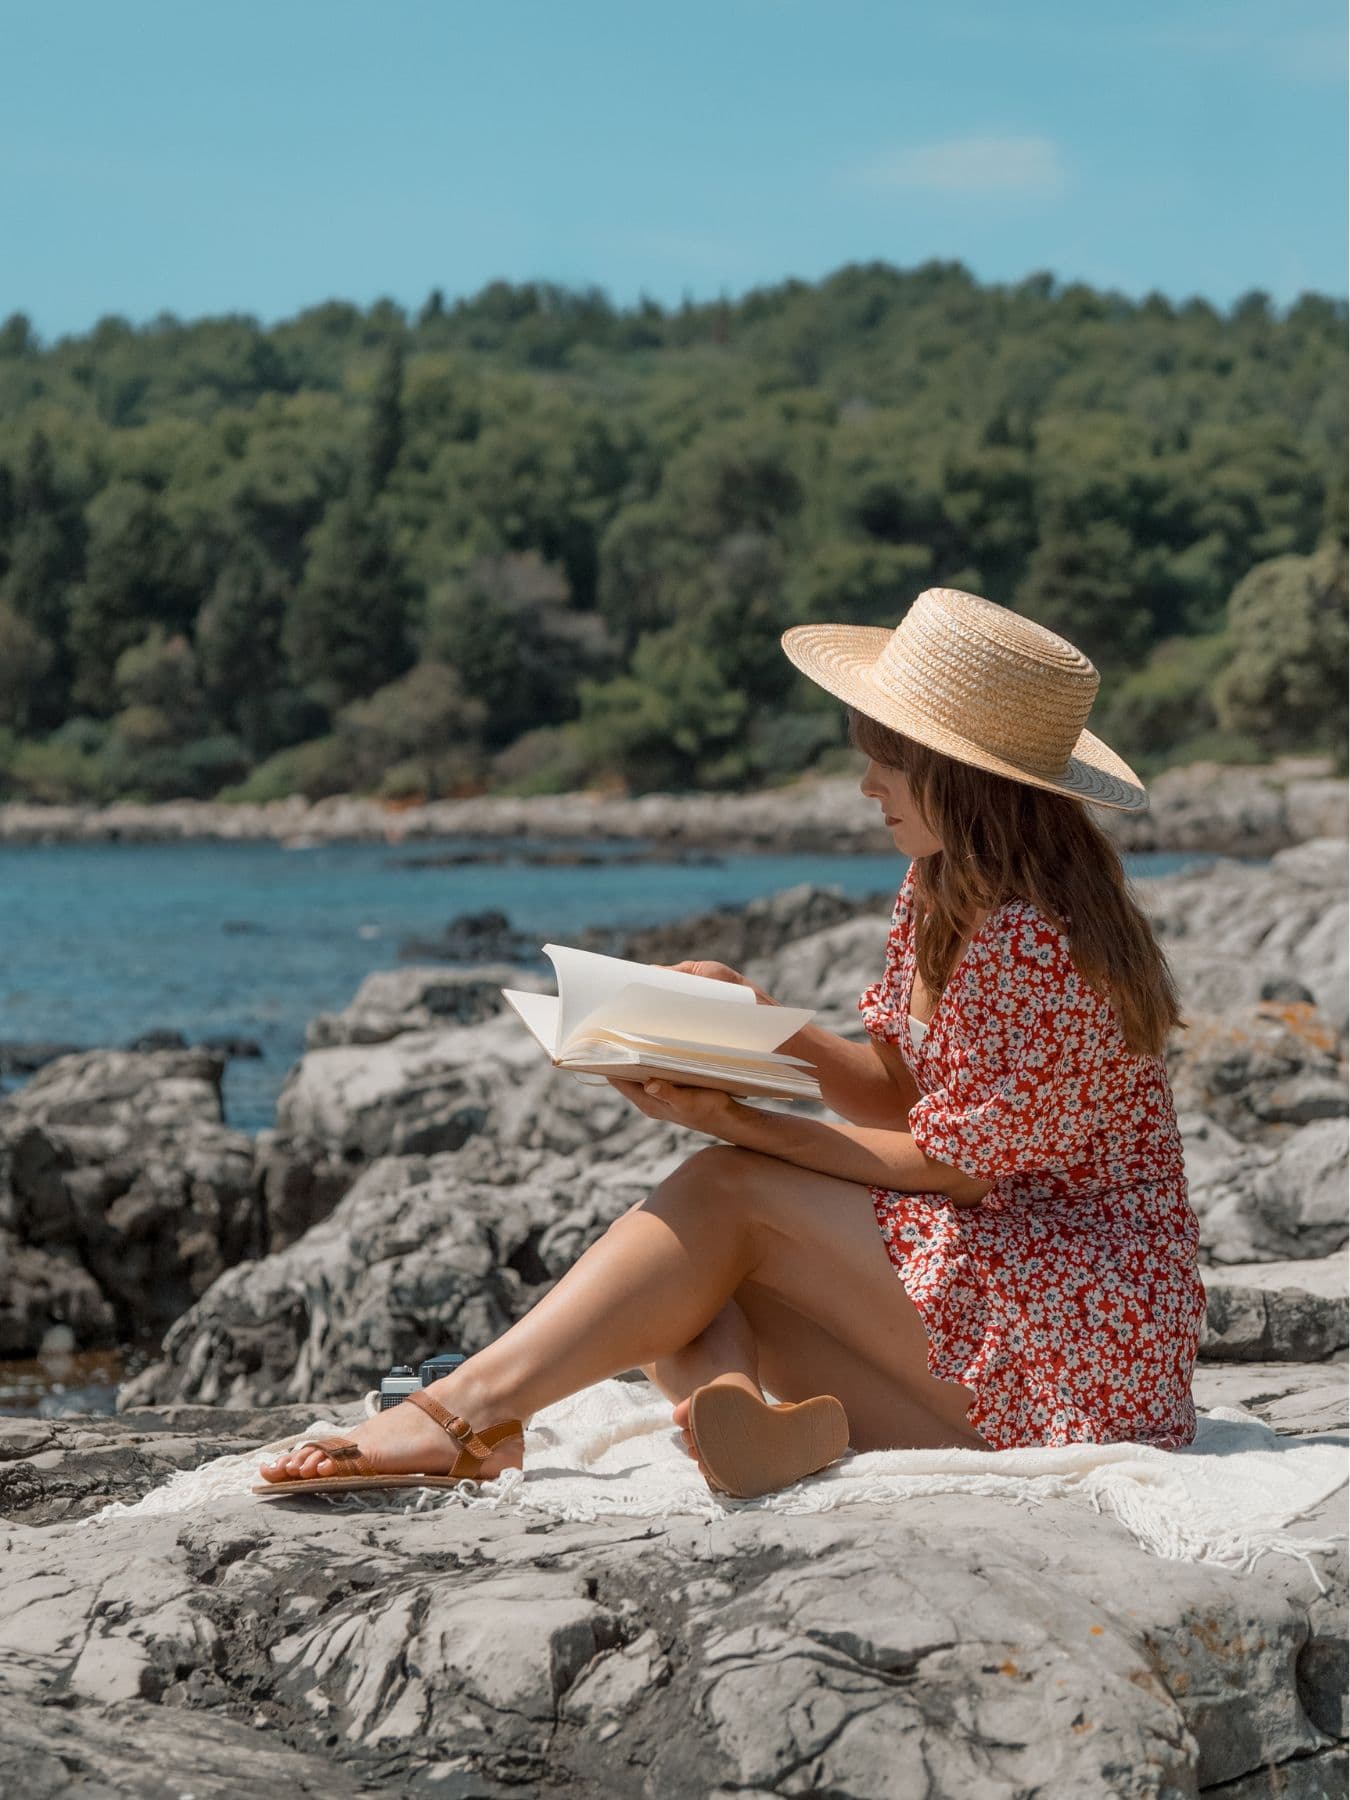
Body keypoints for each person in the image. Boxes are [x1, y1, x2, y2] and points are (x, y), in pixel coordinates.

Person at [257, 587, 1206, 1502]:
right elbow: (895, 1091)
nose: (866, 781)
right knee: (676, 1287)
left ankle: (465, 1414)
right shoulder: (941, 888)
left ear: (964, 775)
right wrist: (756, 1015)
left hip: (1085, 1328)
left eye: (891, 758)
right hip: (1011, 1300)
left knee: (724, 1194)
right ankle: (743, 1416)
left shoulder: (1035, 936)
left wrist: (744, 1126)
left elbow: (954, 1170)